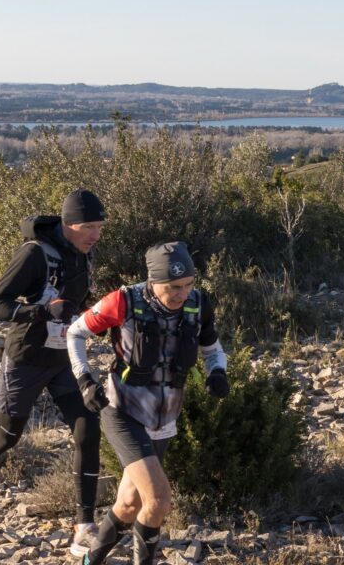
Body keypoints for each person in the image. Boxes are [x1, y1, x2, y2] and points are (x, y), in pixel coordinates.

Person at [0, 189, 106, 558]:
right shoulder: (35, 254)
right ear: (69, 224)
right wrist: (39, 313)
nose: (95, 235)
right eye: (89, 227)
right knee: (8, 435)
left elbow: (75, 302)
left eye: (100, 227)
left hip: (63, 357)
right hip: (25, 357)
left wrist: (98, 314)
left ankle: (83, 526)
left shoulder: (83, 255)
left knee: (88, 425)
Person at [67, 241, 229, 565]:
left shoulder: (198, 304)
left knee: (128, 504)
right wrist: (85, 379)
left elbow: (213, 349)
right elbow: (75, 333)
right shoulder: (123, 301)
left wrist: (218, 373)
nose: (182, 294)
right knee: (157, 500)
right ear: (154, 282)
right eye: (173, 287)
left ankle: (89, 562)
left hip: (164, 420)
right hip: (122, 410)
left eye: (188, 285)